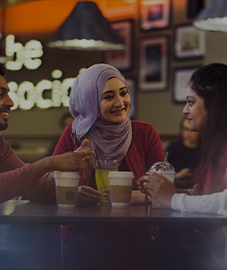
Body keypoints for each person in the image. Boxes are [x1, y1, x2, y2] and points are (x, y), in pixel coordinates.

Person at [0, 61, 93, 269]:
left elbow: (31, 187)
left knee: (40, 247)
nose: (10, 102)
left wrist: (58, 176)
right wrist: (48, 163)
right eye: (0, 94)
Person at [46, 63, 166, 269]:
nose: (120, 102)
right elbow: (46, 181)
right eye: (108, 97)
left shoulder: (145, 133)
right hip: (84, 237)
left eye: (123, 93)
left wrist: (140, 196)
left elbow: (165, 187)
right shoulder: (74, 135)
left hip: (138, 238)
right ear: (90, 101)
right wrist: (73, 192)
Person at [138, 63, 227, 269]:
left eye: (191, 102)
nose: (185, 110)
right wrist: (168, 191)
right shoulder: (216, 145)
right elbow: (212, 191)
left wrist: (174, 198)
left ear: (215, 104)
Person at [165, 116, 201, 189]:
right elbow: (163, 172)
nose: (187, 133)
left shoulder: (205, 148)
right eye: (184, 129)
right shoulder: (173, 147)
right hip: (176, 188)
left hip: (199, 188)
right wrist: (176, 176)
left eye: (191, 129)